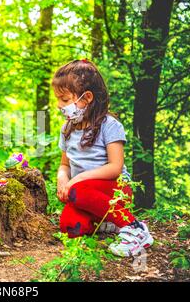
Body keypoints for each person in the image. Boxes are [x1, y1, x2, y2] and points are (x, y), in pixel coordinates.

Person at [53, 59, 153, 257]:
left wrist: (76, 180)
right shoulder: (67, 129)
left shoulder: (110, 125)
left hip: (114, 191)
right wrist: (62, 178)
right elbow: (64, 165)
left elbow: (115, 167)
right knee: (69, 227)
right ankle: (107, 222)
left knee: (78, 192)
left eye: (64, 100)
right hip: (83, 194)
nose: (59, 105)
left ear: (87, 97)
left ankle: (134, 228)